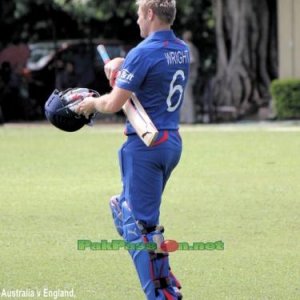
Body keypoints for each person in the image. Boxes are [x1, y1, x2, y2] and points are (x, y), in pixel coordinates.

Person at [77, 0, 189, 299]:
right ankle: (160, 269)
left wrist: (90, 104)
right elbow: (152, 62)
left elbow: (113, 104)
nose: (138, 21)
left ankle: (161, 292)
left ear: (150, 14)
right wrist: (123, 63)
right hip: (170, 143)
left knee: (137, 229)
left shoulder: (142, 54)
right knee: (131, 215)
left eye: (139, 15)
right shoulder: (181, 49)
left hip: (144, 148)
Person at [180, 30, 200, 124]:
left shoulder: (188, 46)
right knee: (184, 97)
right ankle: (184, 118)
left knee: (187, 97)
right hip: (190, 75)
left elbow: (190, 61)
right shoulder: (193, 47)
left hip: (188, 75)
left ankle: (189, 119)